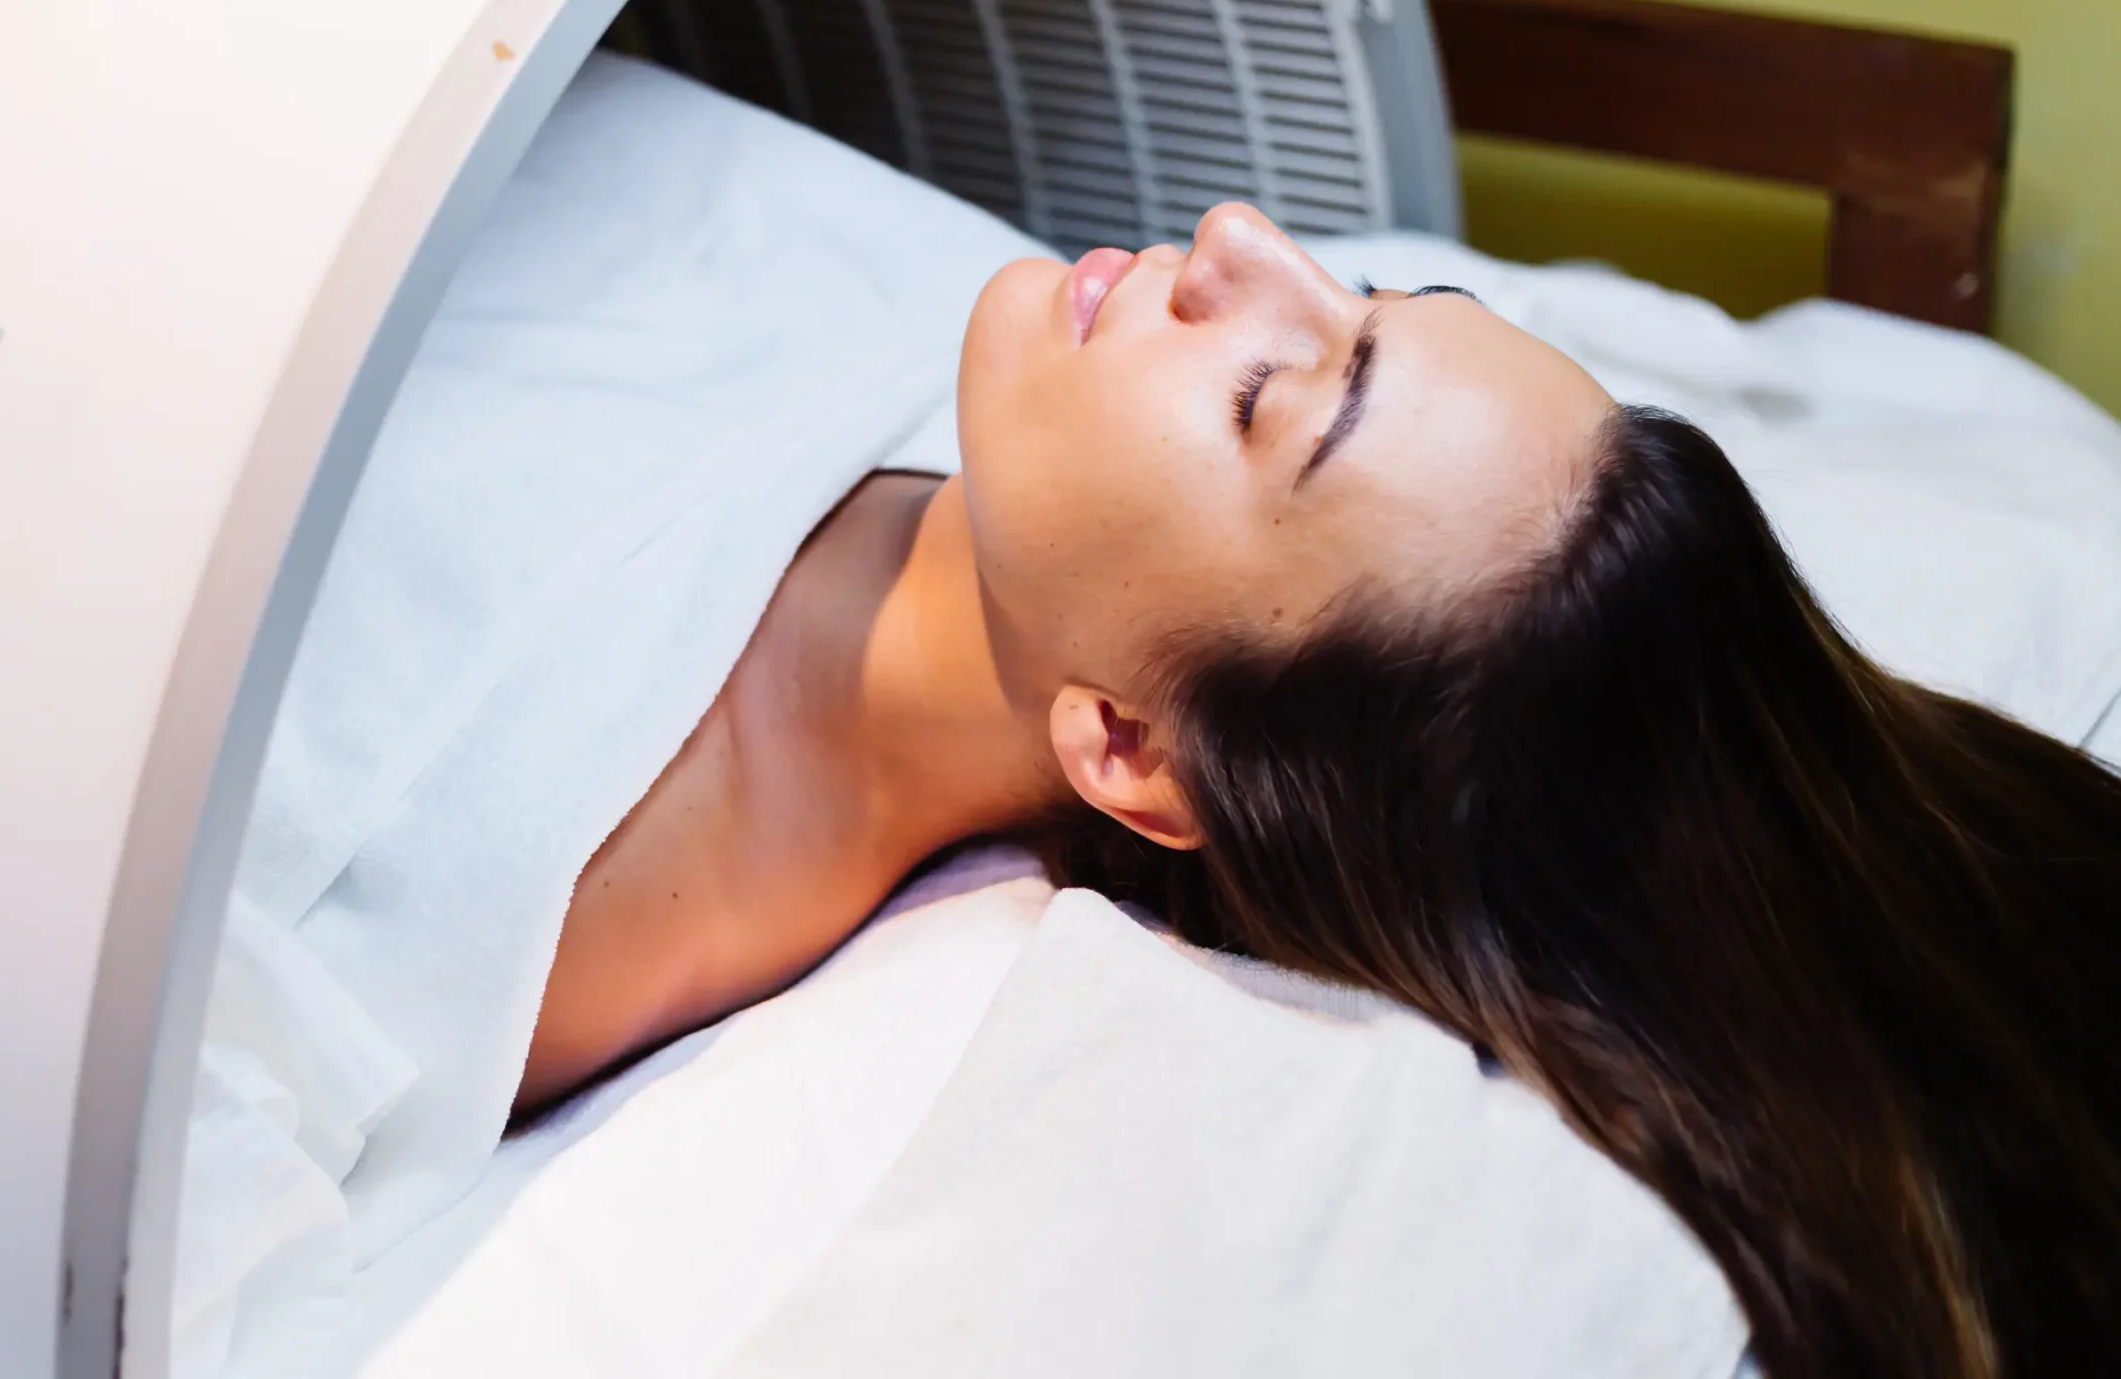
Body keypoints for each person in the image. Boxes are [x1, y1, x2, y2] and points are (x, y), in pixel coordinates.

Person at [522, 200, 2121, 1379]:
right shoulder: (931, 310)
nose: (1241, 241)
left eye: (1263, 400)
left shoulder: (537, 885)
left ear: (1132, 752)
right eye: (1371, 300)